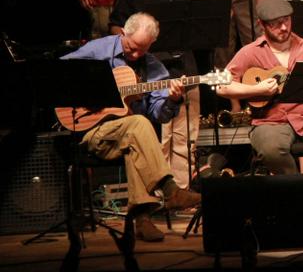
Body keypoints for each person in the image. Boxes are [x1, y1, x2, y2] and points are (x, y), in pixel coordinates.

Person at [61, 12, 201, 242]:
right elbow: (61, 70)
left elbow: (160, 115)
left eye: (142, 49)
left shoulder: (154, 69)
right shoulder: (99, 50)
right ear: (122, 33)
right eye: (132, 46)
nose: (135, 54)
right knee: (139, 124)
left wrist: (173, 100)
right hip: (92, 131)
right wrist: (97, 91)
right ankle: (170, 190)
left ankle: (143, 220)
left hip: (130, 137)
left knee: (136, 132)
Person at [109, 0, 201, 189]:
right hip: (147, 72)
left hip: (184, 66)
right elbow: (116, 27)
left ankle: (181, 194)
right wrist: (134, 48)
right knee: (157, 139)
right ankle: (156, 195)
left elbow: (198, 23)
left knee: (186, 137)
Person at [216, 0, 303, 174]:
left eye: (286, 20)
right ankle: (296, 187)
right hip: (270, 121)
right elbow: (222, 85)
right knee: (271, 149)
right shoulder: (250, 52)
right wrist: (256, 89)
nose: (283, 27)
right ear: (261, 24)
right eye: (275, 23)